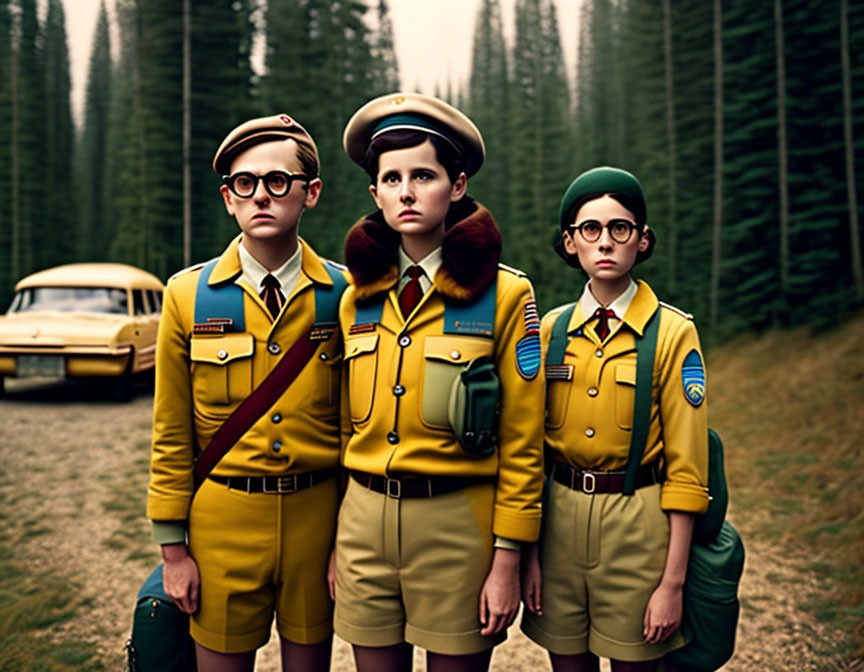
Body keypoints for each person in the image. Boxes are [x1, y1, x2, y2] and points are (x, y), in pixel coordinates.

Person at [333, 92, 545, 672]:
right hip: (362, 531)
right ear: (374, 192)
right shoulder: (354, 300)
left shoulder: (506, 296)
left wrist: (507, 558)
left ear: (456, 186)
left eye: (423, 175)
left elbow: (524, 441)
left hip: (460, 531)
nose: (406, 191)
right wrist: (335, 543)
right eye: (391, 177)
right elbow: (334, 431)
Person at [146, 114, 347, 672]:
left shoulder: (346, 294)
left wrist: (351, 541)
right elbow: (171, 432)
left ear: (311, 193)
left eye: (279, 181)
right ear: (228, 198)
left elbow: (362, 426)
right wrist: (173, 549)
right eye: (245, 183)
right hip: (221, 522)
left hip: (318, 521)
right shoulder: (188, 295)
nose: (261, 195)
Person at [520, 167, 710, 672]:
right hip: (558, 527)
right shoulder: (549, 331)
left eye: (620, 228)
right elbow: (529, 454)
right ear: (570, 242)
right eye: (590, 229)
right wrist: (529, 555)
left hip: (638, 529)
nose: (605, 242)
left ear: (642, 239)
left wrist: (672, 584)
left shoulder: (671, 333)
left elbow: (688, 470)